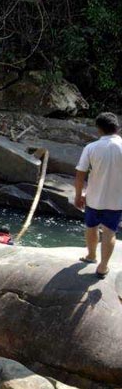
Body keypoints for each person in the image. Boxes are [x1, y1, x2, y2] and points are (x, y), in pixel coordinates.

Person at [75, 112, 122, 279]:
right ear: (118, 128)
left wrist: (78, 195)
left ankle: (91, 256)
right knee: (110, 231)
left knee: (91, 227)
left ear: (98, 130)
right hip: (116, 200)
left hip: (93, 198)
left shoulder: (91, 147)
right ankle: (103, 267)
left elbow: (80, 173)